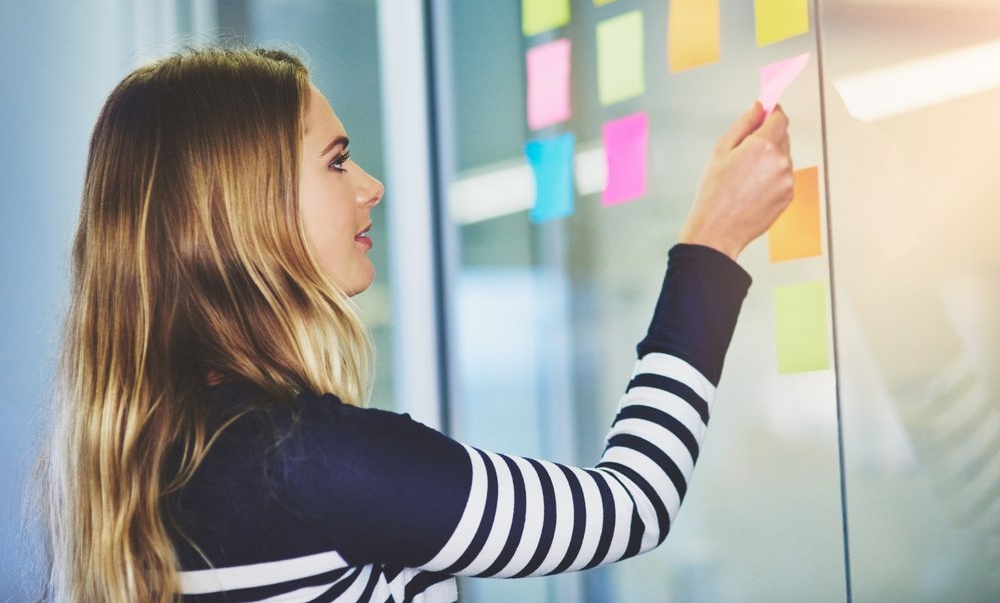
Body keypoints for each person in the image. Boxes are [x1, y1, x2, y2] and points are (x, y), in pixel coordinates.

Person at [39, 46, 792, 602]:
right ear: (241, 207)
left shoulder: (148, 462)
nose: (372, 187)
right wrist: (710, 248)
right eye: (336, 162)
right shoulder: (315, 462)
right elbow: (630, 507)